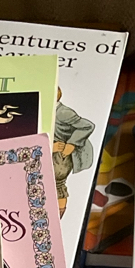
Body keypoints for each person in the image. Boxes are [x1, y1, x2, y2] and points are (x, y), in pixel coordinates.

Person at [52, 88, 96, 217]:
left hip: (60, 155)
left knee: (57, 183)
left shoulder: (63, 112)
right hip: (50, 151)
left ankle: (57, 218)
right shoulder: (44, 110)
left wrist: (71, 143)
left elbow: (88, 126)